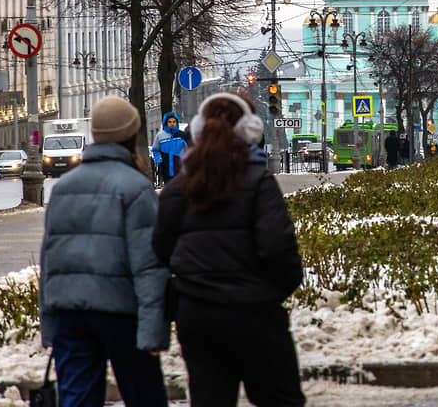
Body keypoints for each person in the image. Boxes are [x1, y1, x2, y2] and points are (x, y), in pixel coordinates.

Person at [153, 92, 305, 407]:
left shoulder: (177, 189)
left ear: (196, 130)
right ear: (250, 131)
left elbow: (159, 251)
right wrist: (269, 295)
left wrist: (183, 298)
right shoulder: (259, 181)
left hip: (197, 318)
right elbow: (279, 250)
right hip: (256, 315)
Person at [39, 96, 170, 406]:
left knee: (77, 399)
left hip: (70, 315)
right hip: (122, 314)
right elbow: (150, 266)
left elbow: (50, 262)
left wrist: (49, 325)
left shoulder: (64, 187)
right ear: (131, 136)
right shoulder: (136, 188)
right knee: (145, 396)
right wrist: (154, 331)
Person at [151, 112, 188, 186]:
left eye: (174, 122)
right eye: (170, 122)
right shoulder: (160, 136)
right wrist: (159, 161)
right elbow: (155, 150)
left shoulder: (182, 135)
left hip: (180, 167)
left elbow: (189, 150)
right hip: (166, 168)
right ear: (166, 123)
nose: (172, 124)